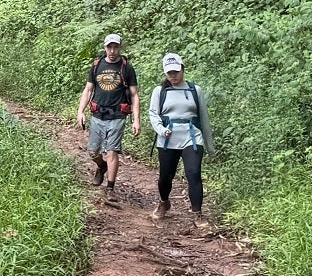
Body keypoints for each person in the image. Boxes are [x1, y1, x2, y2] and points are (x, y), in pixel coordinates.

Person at [150, 52, 212, 221]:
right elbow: (153, 114)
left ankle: (197, 214)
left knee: (194, 173)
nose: (173, 76)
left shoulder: (195, 90)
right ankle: (164, 202)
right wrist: (162, 130)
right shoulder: (160, 91)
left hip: (192, 137)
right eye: (169, 72)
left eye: (176, 71)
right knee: (165, 177)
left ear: (182, 69)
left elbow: (204, 118)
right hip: (167, 139)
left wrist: (209, 145)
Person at [76, 33, 139, 193]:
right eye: (109, 47)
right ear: (105, 47)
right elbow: (88, 89)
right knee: (93, 152)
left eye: (115, 47)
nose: (112, 51)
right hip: (98, 114)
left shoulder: (126, 68)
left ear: (120, 47)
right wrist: (80, 111)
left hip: (117, 115)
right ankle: (102, 166)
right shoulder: (97, 65)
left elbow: (134, 95)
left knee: (112, 151)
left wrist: (136, 120)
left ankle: (110, 188)